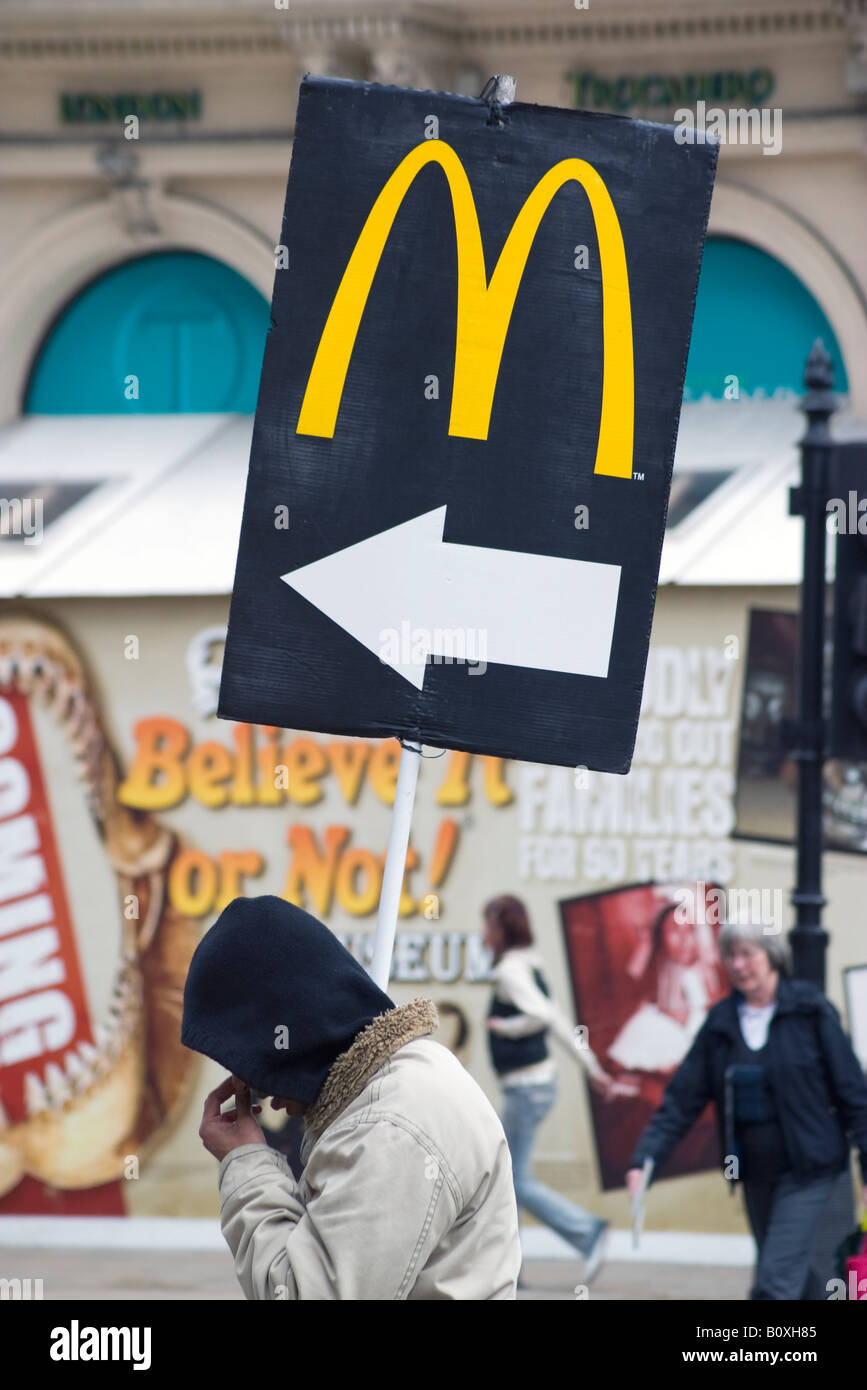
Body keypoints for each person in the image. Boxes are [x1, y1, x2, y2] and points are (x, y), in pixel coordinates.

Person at [182, 894, 522, 1300]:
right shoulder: (401, 1084)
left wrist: (247, 1165)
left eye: (251, 1058)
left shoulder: (388, 1129)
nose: (248, 1084)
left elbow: (304, 1294)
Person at [626, 919, 867, 1300]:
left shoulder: (809, 1011)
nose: (738, 965)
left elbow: (853, 1090)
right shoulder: (720, 1023)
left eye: (748, 954)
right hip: (754, 1173)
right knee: (793, 1274)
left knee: (773, 1283)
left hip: (809, 1169)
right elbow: (681, 1099)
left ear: (771, 956)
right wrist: (645, 1159)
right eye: (731, 956)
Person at [483, 894, 633, 1283]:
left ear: (502, 929)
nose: (483, 933)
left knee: (511, 1180)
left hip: (526, 1088)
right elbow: (556, 1017)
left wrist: (507, 1027)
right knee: (507, 1177)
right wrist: (590, 1067)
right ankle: (510, 1269)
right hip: (535, 1086)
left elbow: (544, 1015)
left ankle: (585, 1232)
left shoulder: (510, 972)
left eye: (487, 924)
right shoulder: (530, 963)